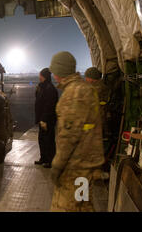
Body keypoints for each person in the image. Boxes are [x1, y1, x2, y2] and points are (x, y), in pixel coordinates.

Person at [48, 52, 104, 212]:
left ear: (59, 72)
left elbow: (68, 136)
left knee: (66, 207)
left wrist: (57, 165)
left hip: (75, 167)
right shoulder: (85, 88)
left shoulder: (73, 94)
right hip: (86, 166)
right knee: (83, 205)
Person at [34, 68, 58, 168]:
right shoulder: (42, 87)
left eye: (40, 75)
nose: (39, 77)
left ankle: (50, 160)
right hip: (42, 119)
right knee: (42, 139)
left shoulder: (50, 89)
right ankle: (43, 158)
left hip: (47, 119)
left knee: (49, 140)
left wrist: (44, 119)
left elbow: (49, 106)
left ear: (43, 76)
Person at [84, 67, 110, 138]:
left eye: (87, 77)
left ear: (92, 78)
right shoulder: (98, 86)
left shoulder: (97, 88)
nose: (86, 79)